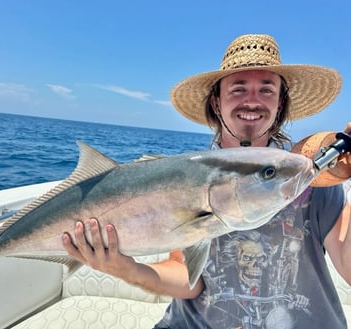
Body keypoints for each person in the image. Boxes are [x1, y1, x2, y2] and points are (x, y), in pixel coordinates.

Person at [62, 34, 351, 328]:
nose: (252, 101)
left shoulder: (310, 180)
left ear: (280, 104)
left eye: (267, 90)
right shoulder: (187, 179)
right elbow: (188, 278)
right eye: (238, 89)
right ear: (216, 103)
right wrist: (126, 268)